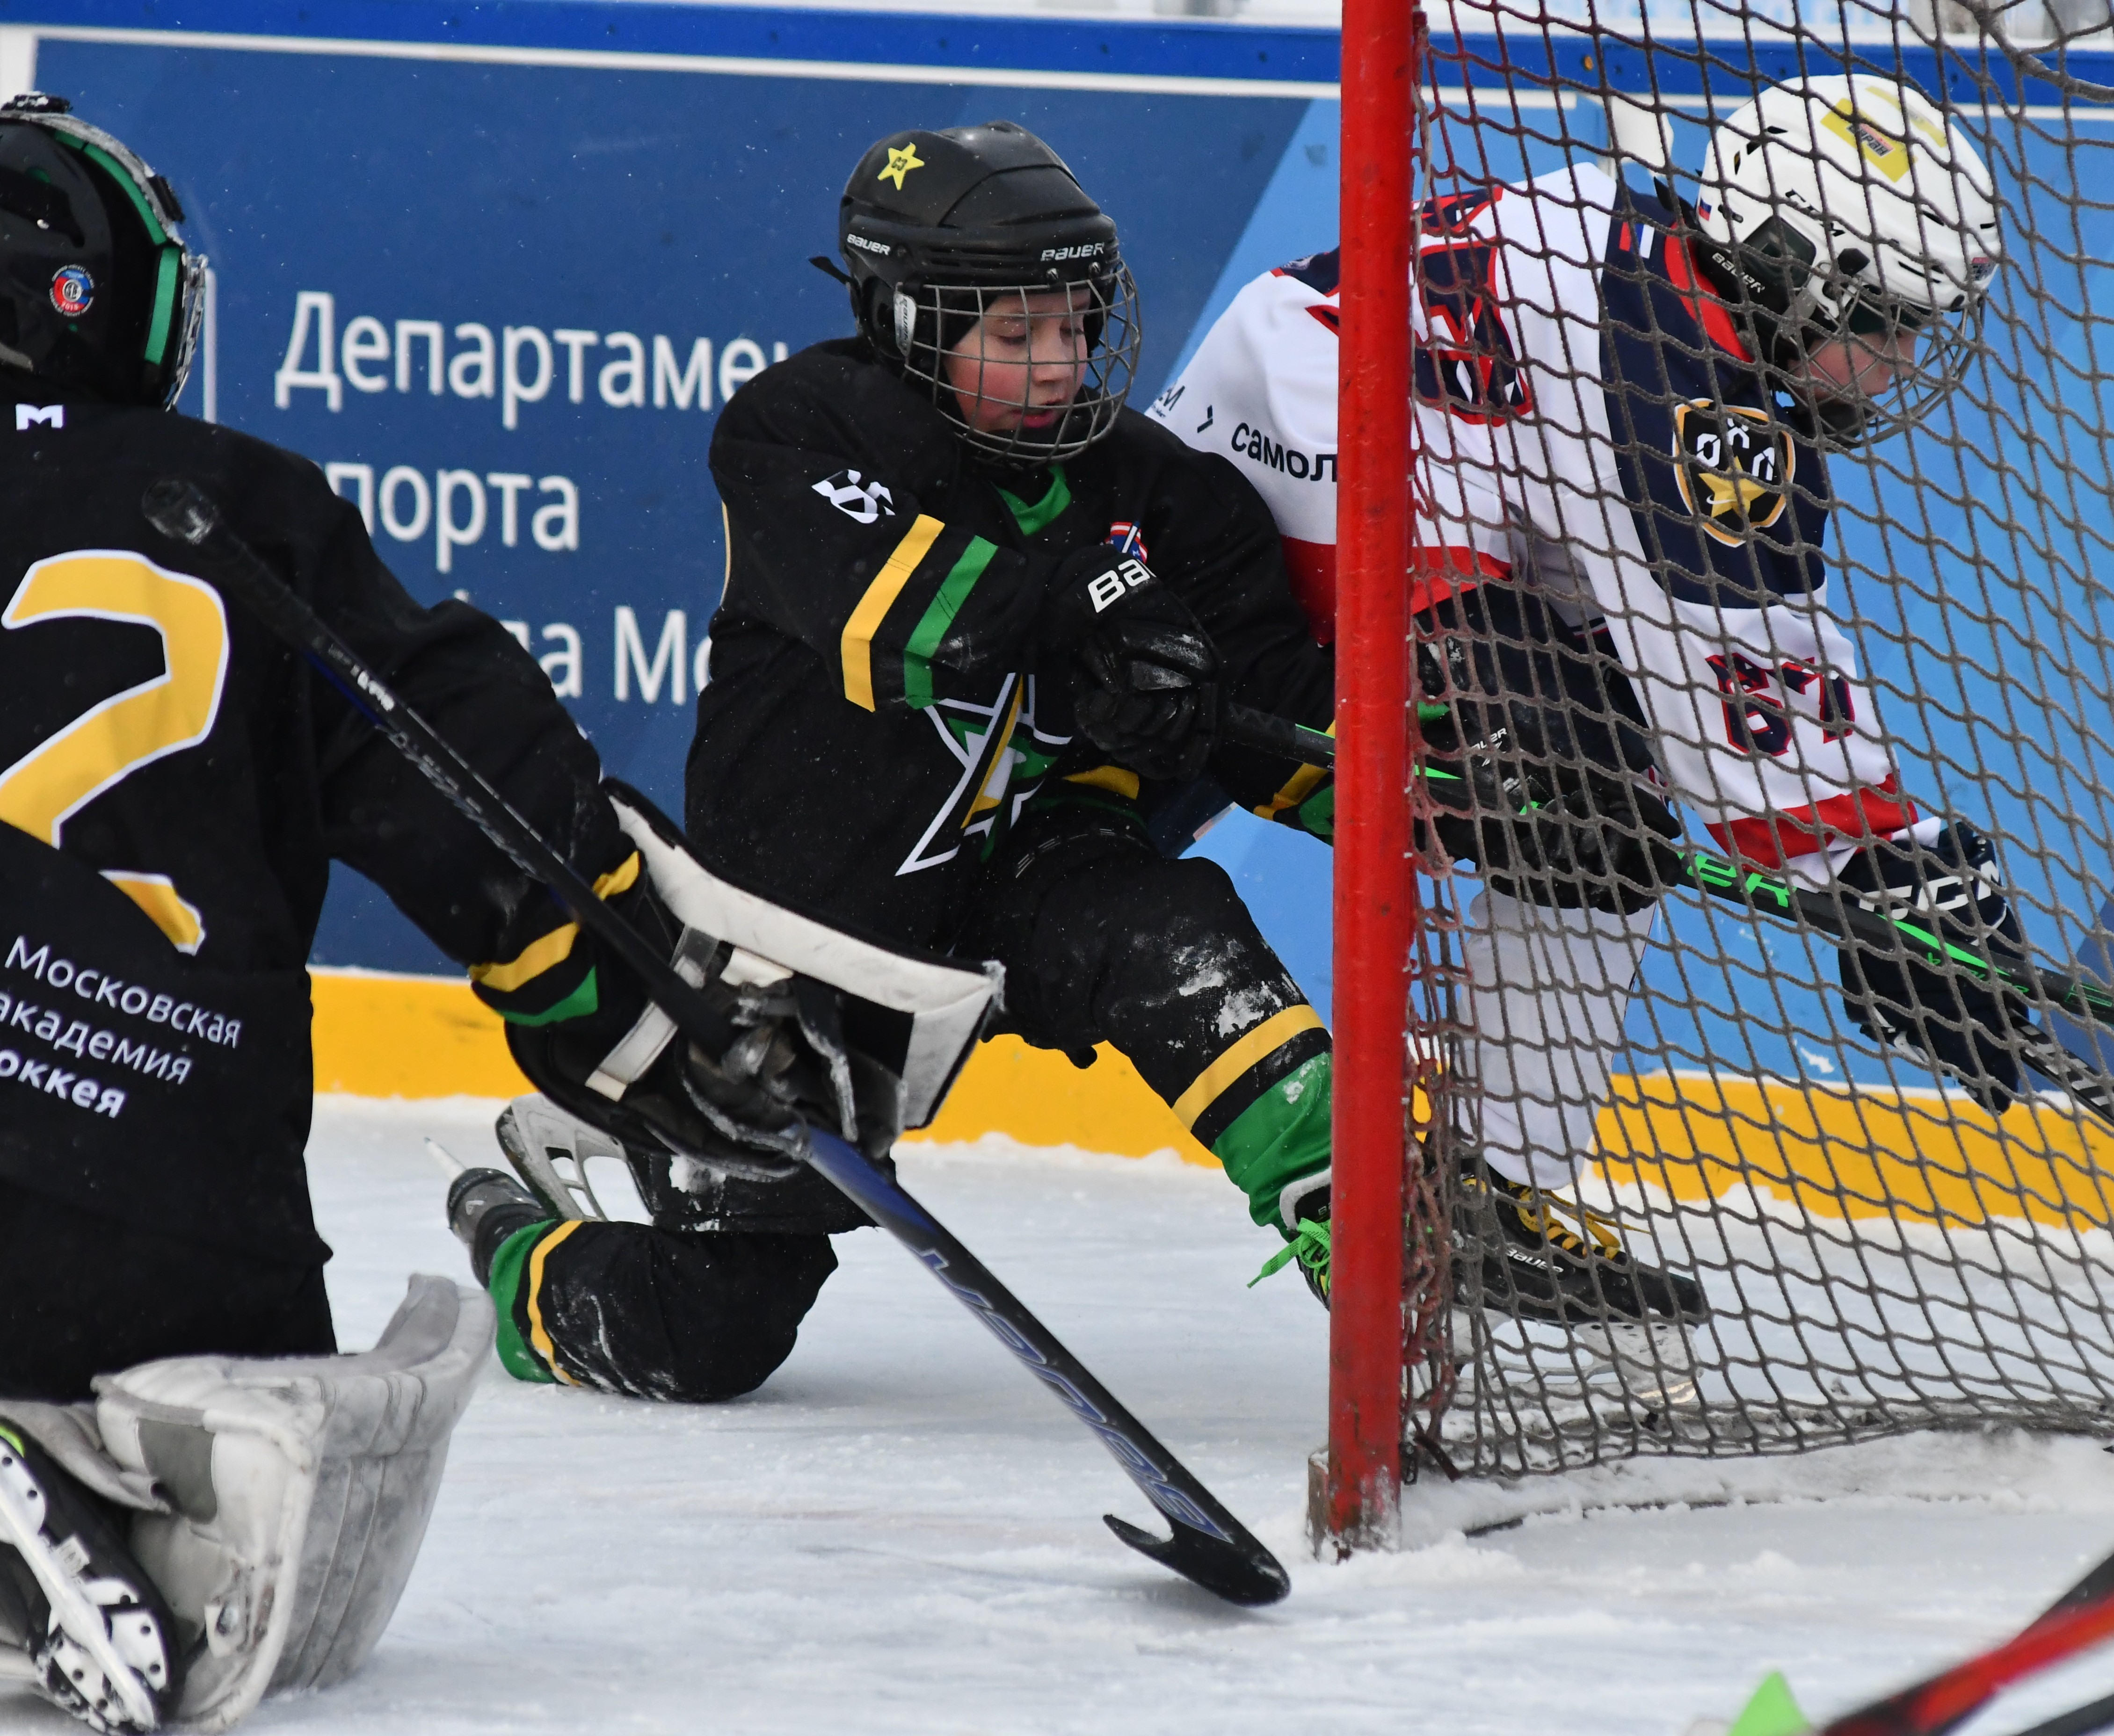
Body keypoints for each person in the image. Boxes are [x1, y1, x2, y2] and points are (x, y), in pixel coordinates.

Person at [445, 118, 1351, 1401]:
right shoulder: (799, 429)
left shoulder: (1164, 491)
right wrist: (1091, 619)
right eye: (1013, 333)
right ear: (912, 323)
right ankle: (515, 1238)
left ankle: (1340, 1196)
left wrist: (1461, 793)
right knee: (708, 1338)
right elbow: (908, 624)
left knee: (1158, 926)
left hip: (1025, 878)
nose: (1056, 364)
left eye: (1073, 324)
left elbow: (1284, 717)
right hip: (798, 945)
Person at [0, 94, 672, 1730]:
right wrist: (638, 1021)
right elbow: (480, 802)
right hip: (194, 1247)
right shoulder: (249, 503)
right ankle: (103, 1454)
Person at [1149, 74, 2017, 1331]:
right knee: (1576, 785)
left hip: (1354, 494)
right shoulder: (1672, 371)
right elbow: (1730, 662)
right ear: (1798, 274)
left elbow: (1724, 642)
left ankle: (1487, 1191)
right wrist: (1880, 871)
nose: (1897, 364)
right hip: (1287, 518)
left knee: (1597, 798)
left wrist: (1880, 863)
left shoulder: (1669, 298)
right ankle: (1481, 1191)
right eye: (1886, 324)